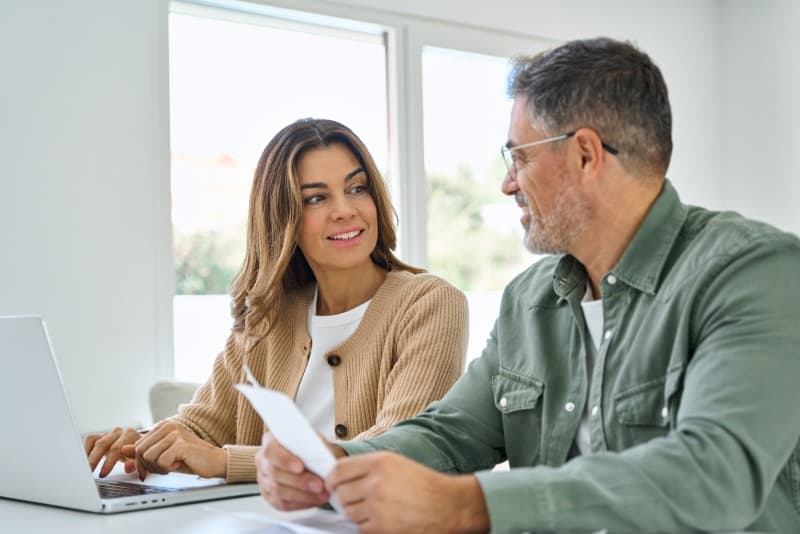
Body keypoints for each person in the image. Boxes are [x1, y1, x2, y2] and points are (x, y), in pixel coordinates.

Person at [255, 38, 800, 533]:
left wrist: (472, 504)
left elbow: (714, 476)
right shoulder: (528, 301)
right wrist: (339, 465)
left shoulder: (752, 272)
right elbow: (452, 434)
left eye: (519, 156)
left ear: (585, 154)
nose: (507, 182)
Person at [84, 118, 468, 484]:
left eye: (357, 188)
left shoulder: (431, 304)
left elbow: (394, 449)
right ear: (282, 218)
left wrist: (224, 462)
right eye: (316, 198)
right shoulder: (268, 316)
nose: (345, 211)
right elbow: (203, 426)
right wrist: (139, 445)